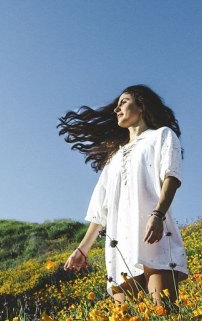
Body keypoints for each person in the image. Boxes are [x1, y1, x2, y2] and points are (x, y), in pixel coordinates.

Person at [59, 85, 189, 307]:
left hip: (154, 235)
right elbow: (101, 210)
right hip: (120, 246)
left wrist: (157, 214)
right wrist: (82, 249)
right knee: (124, 314)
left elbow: (172, 177)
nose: (116, 109)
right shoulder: (114, 158)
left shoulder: (161, 136)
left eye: (123, 102)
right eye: (117, 105)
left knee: (162, 310)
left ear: (141, 105)